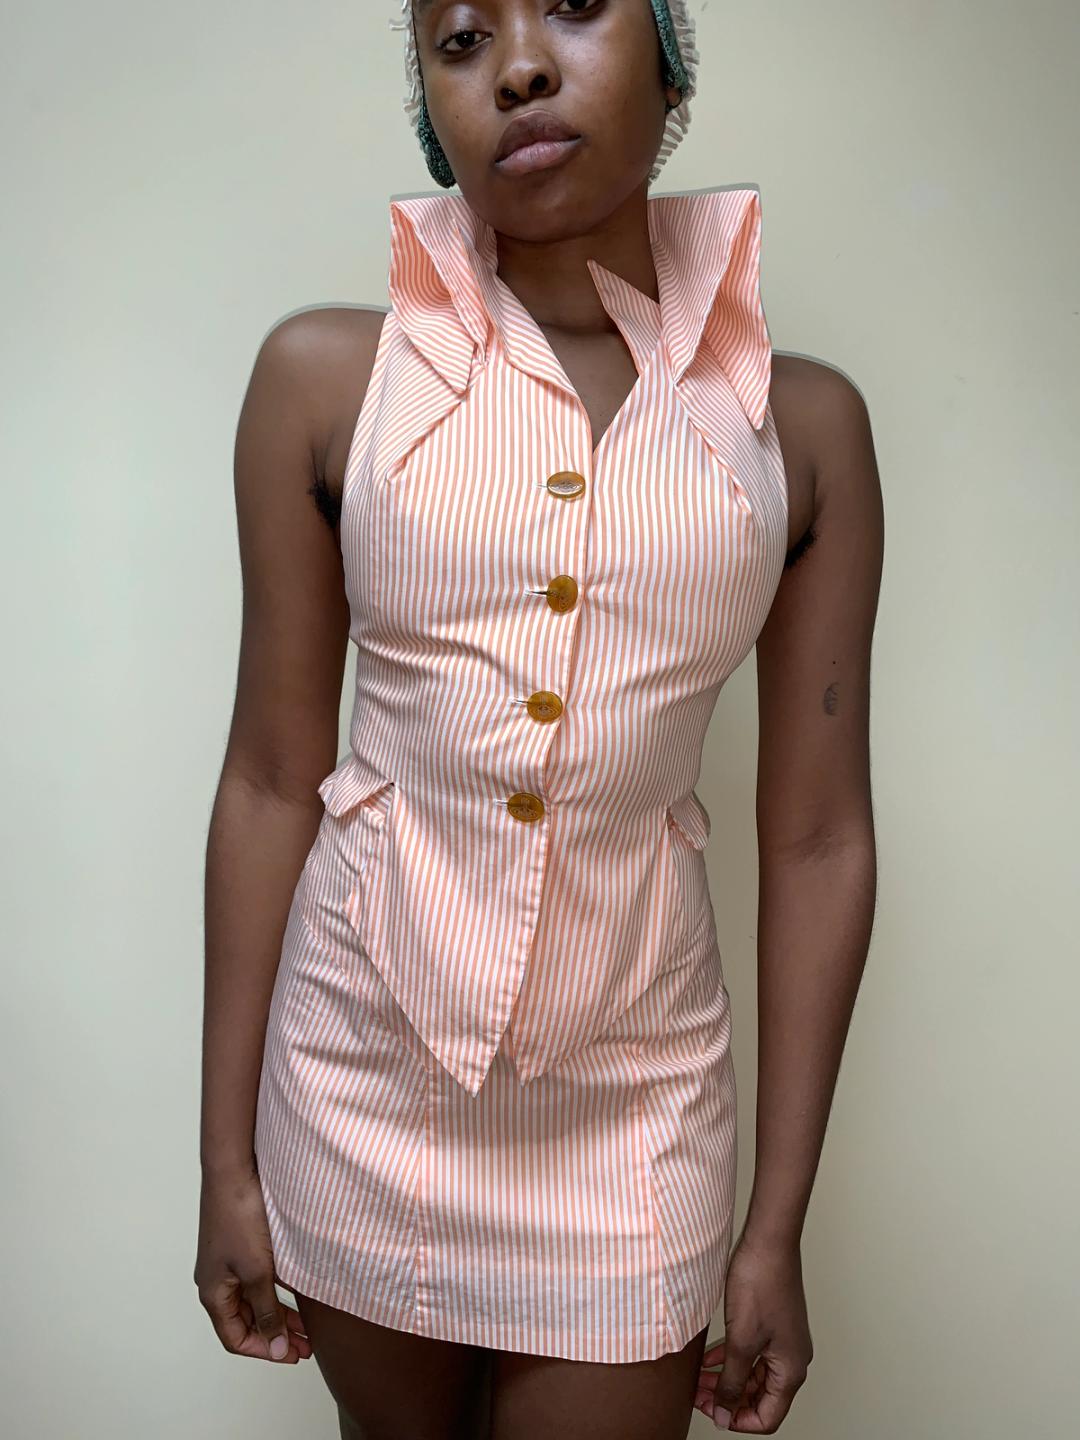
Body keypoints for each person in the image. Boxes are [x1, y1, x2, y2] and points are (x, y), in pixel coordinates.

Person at [194, 1, 884, 1435]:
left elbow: (819, 838)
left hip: (635, 1106)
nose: (515, 65)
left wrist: (774, 1229)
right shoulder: (327, 382)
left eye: (573, 4)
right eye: (458, 38)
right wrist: (225, 1166)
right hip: (359, 1082)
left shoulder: (800, 431)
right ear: (430, 106)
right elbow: (269, 776)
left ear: (671, 56)